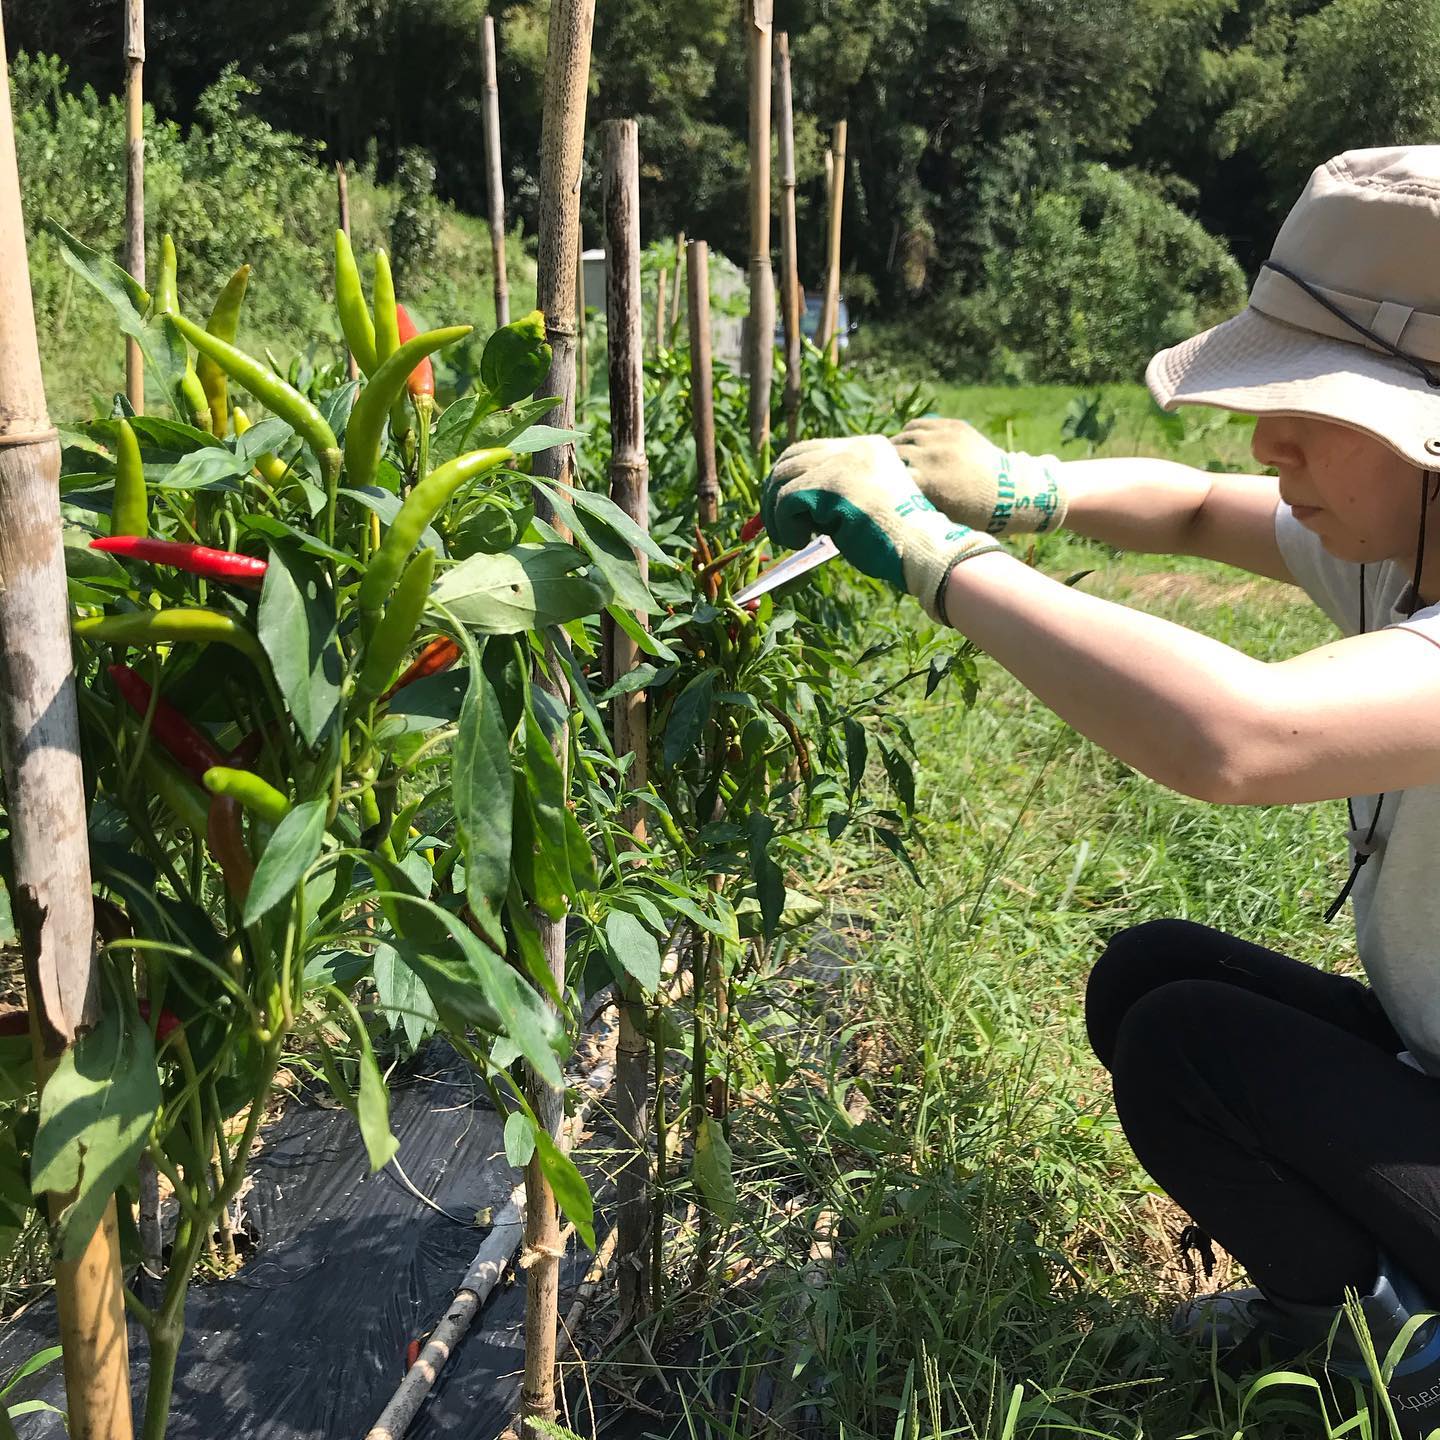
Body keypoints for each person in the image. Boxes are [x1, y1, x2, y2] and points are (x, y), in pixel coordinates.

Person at [761, 145, 1440, 1435]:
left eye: (1316, 405)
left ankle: (1397, 1353)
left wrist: (932, 551)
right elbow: (1191, 506)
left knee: (1194, 1050)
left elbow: (1233, 737)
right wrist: (1028, 489)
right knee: (1149, 975)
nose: (1266, 439)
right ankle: (1348, 1293)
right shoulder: (1398, 535)